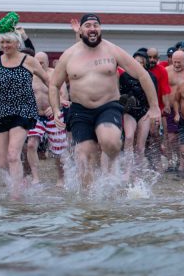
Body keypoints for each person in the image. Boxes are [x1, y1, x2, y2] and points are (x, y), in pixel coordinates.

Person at [50, 14, 160, 187]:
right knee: (83, 157)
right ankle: (89, 202)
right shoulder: (69, 55)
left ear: (100, 28)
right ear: (80, 30)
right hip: (80, 110)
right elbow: (54, 84)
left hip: (108, 107)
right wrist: (56, 109)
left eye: (96, 25)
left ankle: (113, 174)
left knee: (110, 142)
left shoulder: (112, 50)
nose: (92, 28)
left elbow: (142, 74)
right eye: (88, 25)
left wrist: (155, 107)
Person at [0, 28, 50, 188]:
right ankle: (20, 182)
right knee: (2, 161)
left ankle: (16, 195)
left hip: (22, 110)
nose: (5, 45)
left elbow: (49, 81)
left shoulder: (29, 60)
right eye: (2, 42)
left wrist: (57, 101)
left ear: (17, 43)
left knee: (13, 154)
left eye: (8, 42)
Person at [26, 52, 67, 186]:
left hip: (53, 114)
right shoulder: (29, 75)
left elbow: (64, 97)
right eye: (37, 62)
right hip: (35, 115)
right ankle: (35, 177)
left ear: (47, 62)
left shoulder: (55, 74)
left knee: (57, 149)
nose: (39, 65)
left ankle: (61, 177)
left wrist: (55, 106)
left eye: (42, 62)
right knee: (31, 144)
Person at [118, 50, 158, 172]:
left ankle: (137, 173)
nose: (137, 64)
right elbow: (120, 95)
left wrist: (153, 113)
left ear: (145, 63)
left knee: (140, 146)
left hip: (144, 112)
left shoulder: (150, 77)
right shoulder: (124, 76)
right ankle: (127, 170)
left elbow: (154, 97)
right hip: (129, 112)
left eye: (140, 62)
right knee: (129, 138)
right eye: (135, 61)